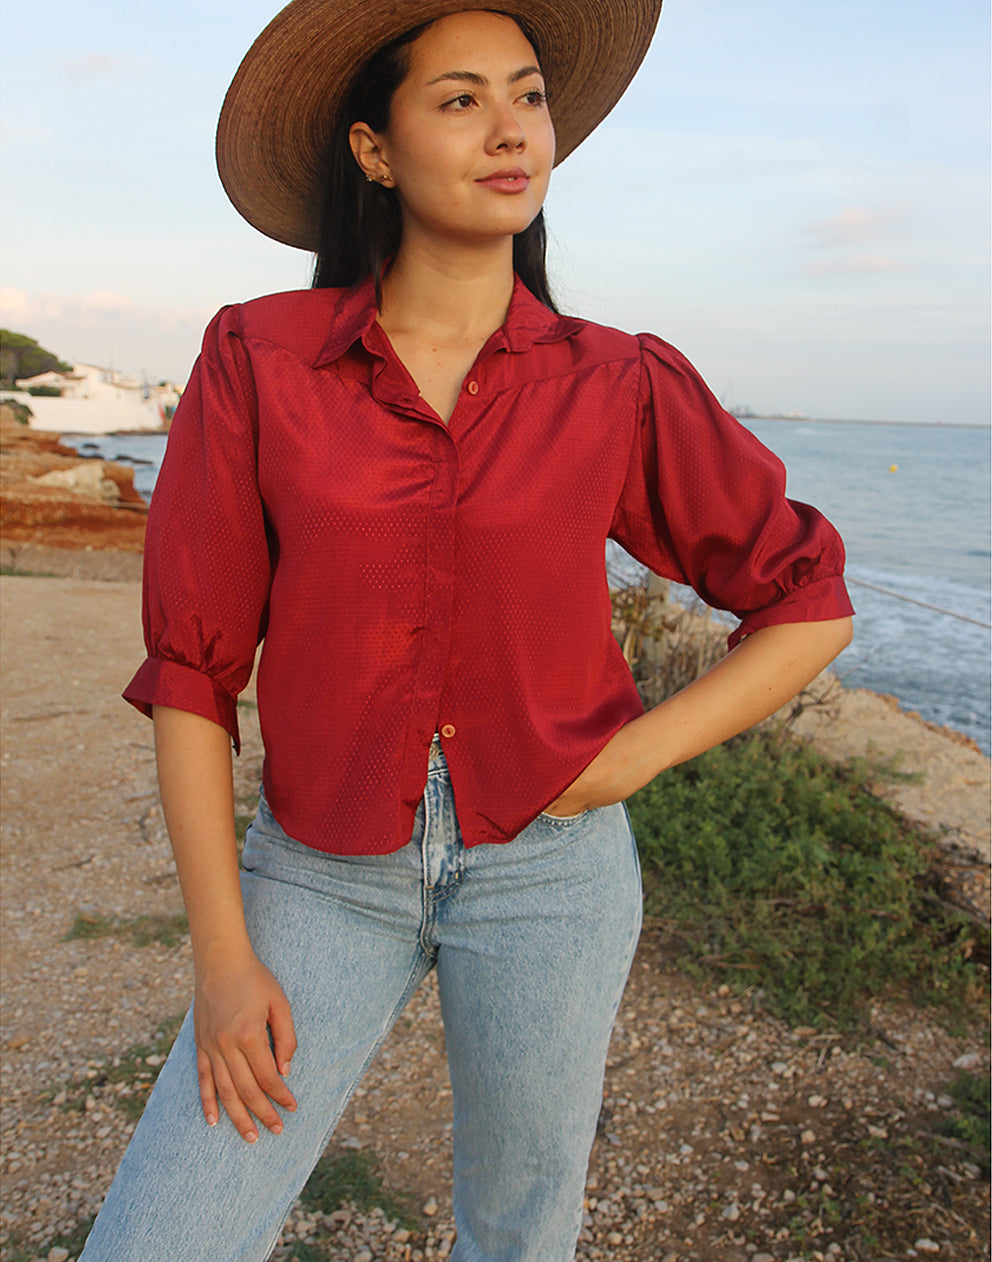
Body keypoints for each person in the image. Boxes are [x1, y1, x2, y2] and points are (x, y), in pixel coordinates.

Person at [80, 1, 854, 1258]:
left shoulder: (615, 380)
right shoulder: (258, 358)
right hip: (320, 873)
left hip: (554, 872)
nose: (511, 131)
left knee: (519, 1227)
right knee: (163, 1237)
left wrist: (628, 758)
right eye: (459, 100)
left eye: (528, 96)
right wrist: (222, 959)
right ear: (373, 151)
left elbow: (806, 595)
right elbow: (191, 670)